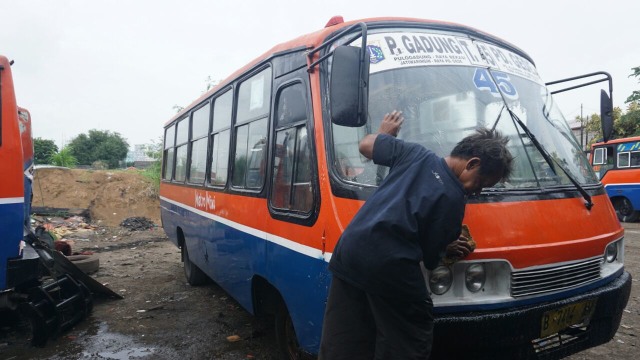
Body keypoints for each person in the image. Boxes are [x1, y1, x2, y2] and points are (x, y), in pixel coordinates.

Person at [319, 110, 513, 360]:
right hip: (389, 264)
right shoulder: (454, 199)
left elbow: (366, 145)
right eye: (480, 184)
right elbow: (432, 258)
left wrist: (384, 134)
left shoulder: (416, 154)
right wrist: (447, 248)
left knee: (345, 334)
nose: (477, 192)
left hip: (350, 250)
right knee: (412, 330)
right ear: (472, 163)